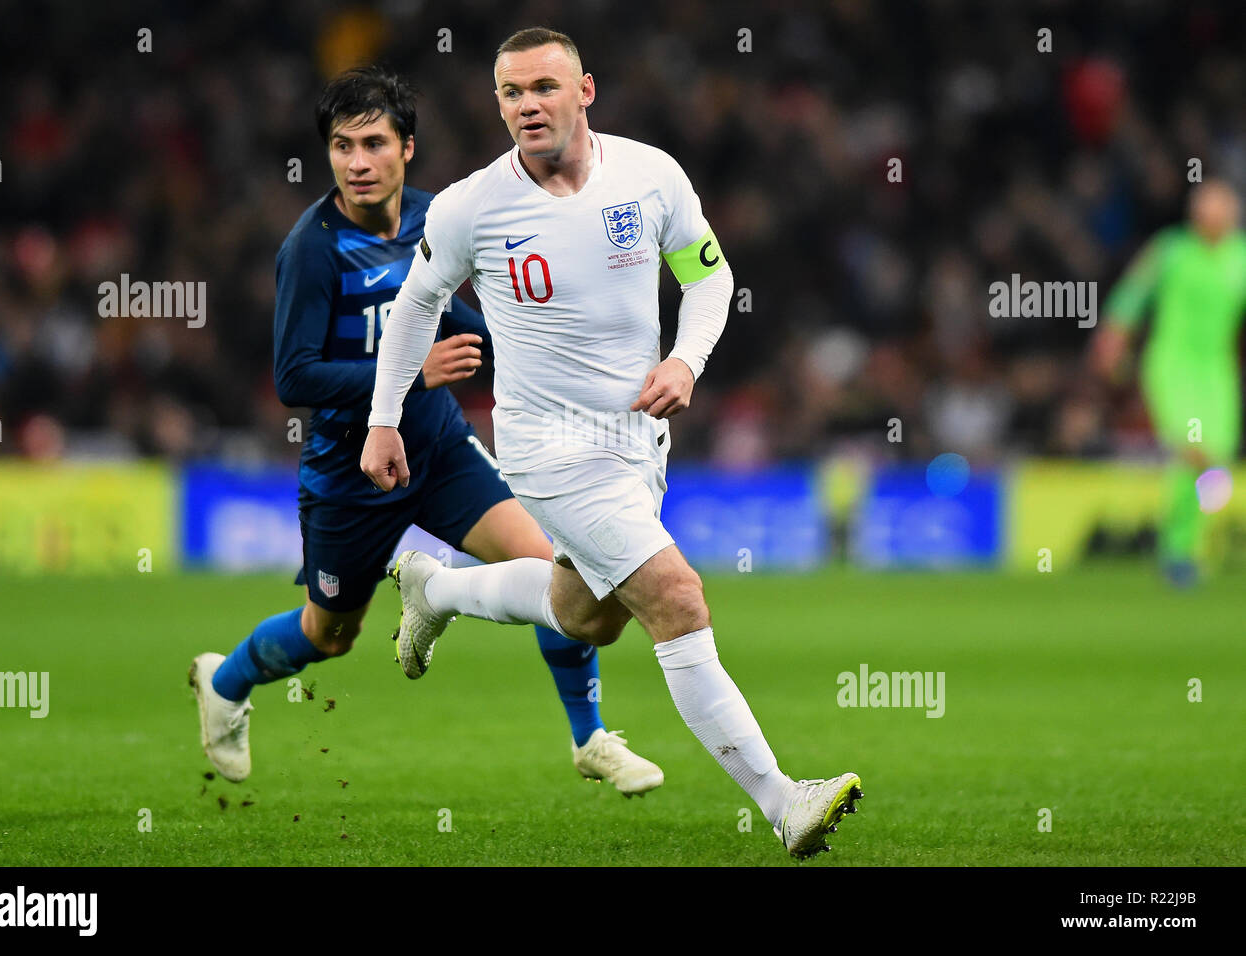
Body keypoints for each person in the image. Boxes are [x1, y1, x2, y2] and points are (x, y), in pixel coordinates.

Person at [361, 28, 862, 860]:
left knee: (586, 616)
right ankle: (783, 800)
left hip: (637, 440)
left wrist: (685, 359)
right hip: (547, 446)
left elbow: (709, 278)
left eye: (545, 88)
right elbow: (414, 306)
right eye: (512, 93)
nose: (528, 105)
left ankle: (435, 591)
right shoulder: (469, 208)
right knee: (677, 596)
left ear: (585, 91)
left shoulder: (651, 175)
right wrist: (385, 418)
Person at [188, 65, 663, 796]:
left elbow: (464, 322)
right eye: (343, 146)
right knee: (330, 635)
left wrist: (557, 359)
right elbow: (295, 378)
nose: (357, 162)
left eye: (373, 143)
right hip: (352, 470)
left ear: (406, 147)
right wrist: (411, 372)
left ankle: (589, 736)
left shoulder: (436, 216)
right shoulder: (312, 251)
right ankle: (226, 680)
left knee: (550, 562)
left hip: (437, 448)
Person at [1092, 179, 1246, 586]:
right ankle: (1178, 551)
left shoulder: (1241, 258)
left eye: (1223, 208)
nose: (1216, 216)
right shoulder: (1171, 250)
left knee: (1215, 461)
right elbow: (1132, 293)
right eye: (1208, 207)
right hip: (1171, 366)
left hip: (1217, 372)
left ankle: (1187, 543)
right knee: (1193, 452)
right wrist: (1113, 336)